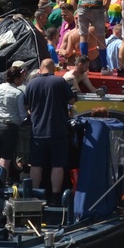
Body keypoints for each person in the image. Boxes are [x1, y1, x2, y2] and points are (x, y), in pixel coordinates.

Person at [22, 59, 75, 201]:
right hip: (58, 131)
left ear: (40, 68)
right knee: (57, 165)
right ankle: (55, 196)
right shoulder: (60, 82)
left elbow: (26, 105)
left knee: (36, 164)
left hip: (37, 131)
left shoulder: (31, 83)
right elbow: (71, 101)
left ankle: (33, 194)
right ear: (53, 69)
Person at [0, 63, 27, 180]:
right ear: (16, 79)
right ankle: (2, 184)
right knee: (5, 160)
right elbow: (22, 115)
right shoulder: (19, 93)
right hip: (9, 128)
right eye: (22, 78)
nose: (23, 80)